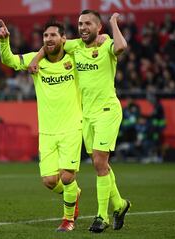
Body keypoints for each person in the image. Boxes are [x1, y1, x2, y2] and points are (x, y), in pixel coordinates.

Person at [29, 10, 131, 233]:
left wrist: (113, 22)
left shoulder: (107, 45)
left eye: (88, 24)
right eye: (80, 24)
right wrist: (36, 59)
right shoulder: (75, 47)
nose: (83, 27)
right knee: (100, 162)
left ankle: (102, 217)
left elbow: (122, 46)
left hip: (107, 110)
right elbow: (50, 45)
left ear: (98, 27)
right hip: (87, 115)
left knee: (98, 163)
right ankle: (121, 205)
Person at [0, 20, 82, 232]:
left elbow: (85, 46)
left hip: (72, 126)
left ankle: (68, 220)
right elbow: (9, 60)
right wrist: (4, 41)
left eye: (54, 35)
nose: (49, 39)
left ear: (64, 38)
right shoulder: (36, 61)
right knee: (50, 181)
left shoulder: (75, 58)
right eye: (46, 36)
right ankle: (74, 194)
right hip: (47, 130)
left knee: (67, 176)